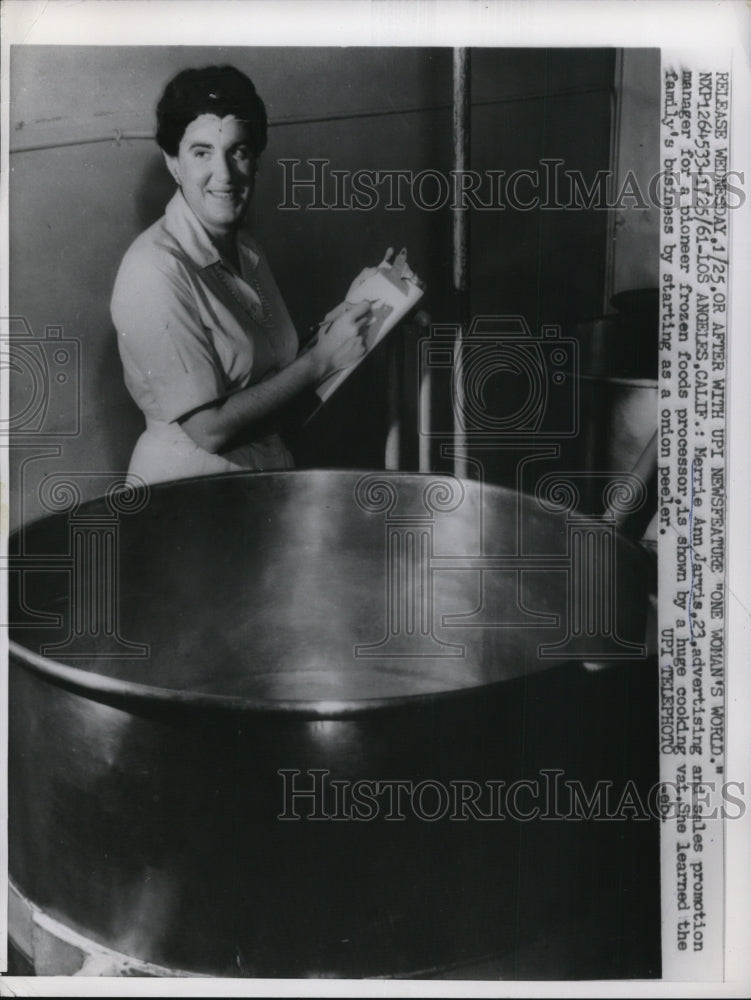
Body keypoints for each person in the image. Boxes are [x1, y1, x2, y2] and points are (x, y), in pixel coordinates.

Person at [111, 65, 371, 485]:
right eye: (202, 153)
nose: (225, 174)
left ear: (256, 161)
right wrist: (321, 359)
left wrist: (362, 311)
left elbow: (265, 374)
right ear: (174, 163)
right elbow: (209, 430)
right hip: (186, 494)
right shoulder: (154, 268)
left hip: (260, 480)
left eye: (238, 151)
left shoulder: (244, 246)